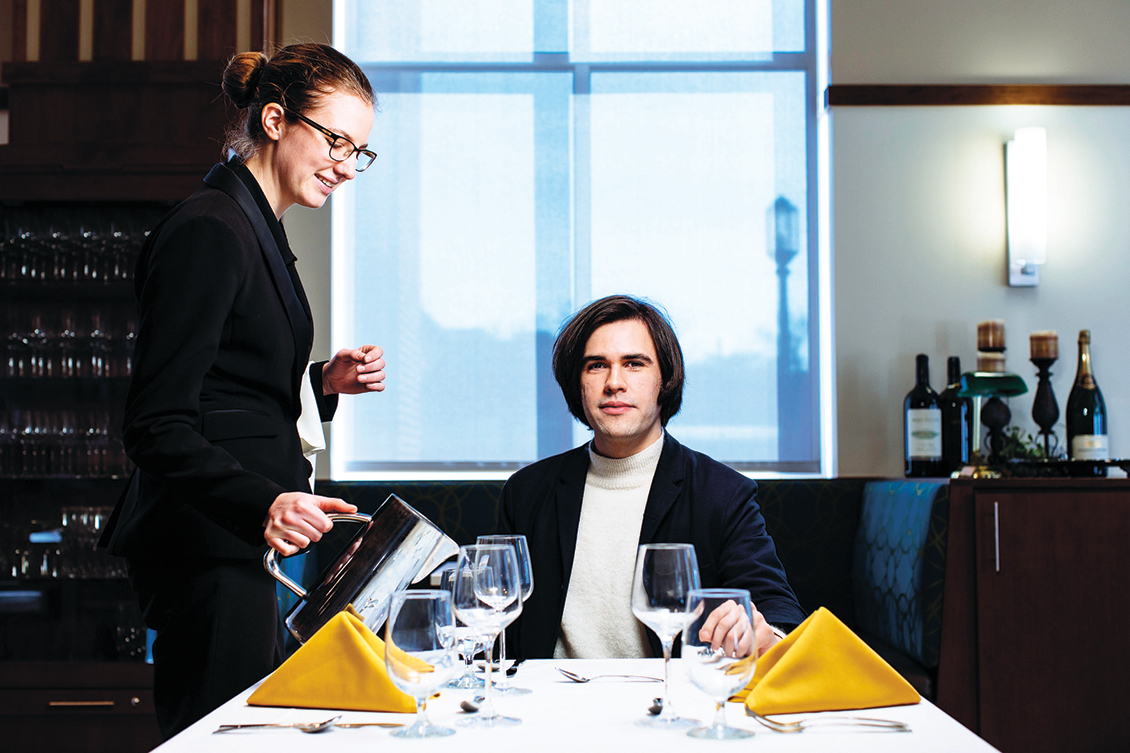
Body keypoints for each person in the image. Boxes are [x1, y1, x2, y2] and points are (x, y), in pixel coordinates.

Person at [99, 43, 385, 738]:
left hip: (239, 547)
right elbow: (157, 423)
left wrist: (320, 383)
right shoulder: (211, 227)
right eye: (337, 141)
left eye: (360, 151)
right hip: (210, 547)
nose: (348, 166)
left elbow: (230, 390)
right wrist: (263, 501)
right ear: (276, 120)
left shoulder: (253, 224)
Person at [497, 295, 805, 661]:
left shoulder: (721, 493)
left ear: (666, 380)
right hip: (549, 692)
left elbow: (778, 610)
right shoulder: (527, 492)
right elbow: (494, 620)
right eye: (596, 365)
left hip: (670, 691)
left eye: (634, 364)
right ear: (577, 384)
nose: (614, 382)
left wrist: (763, 634)